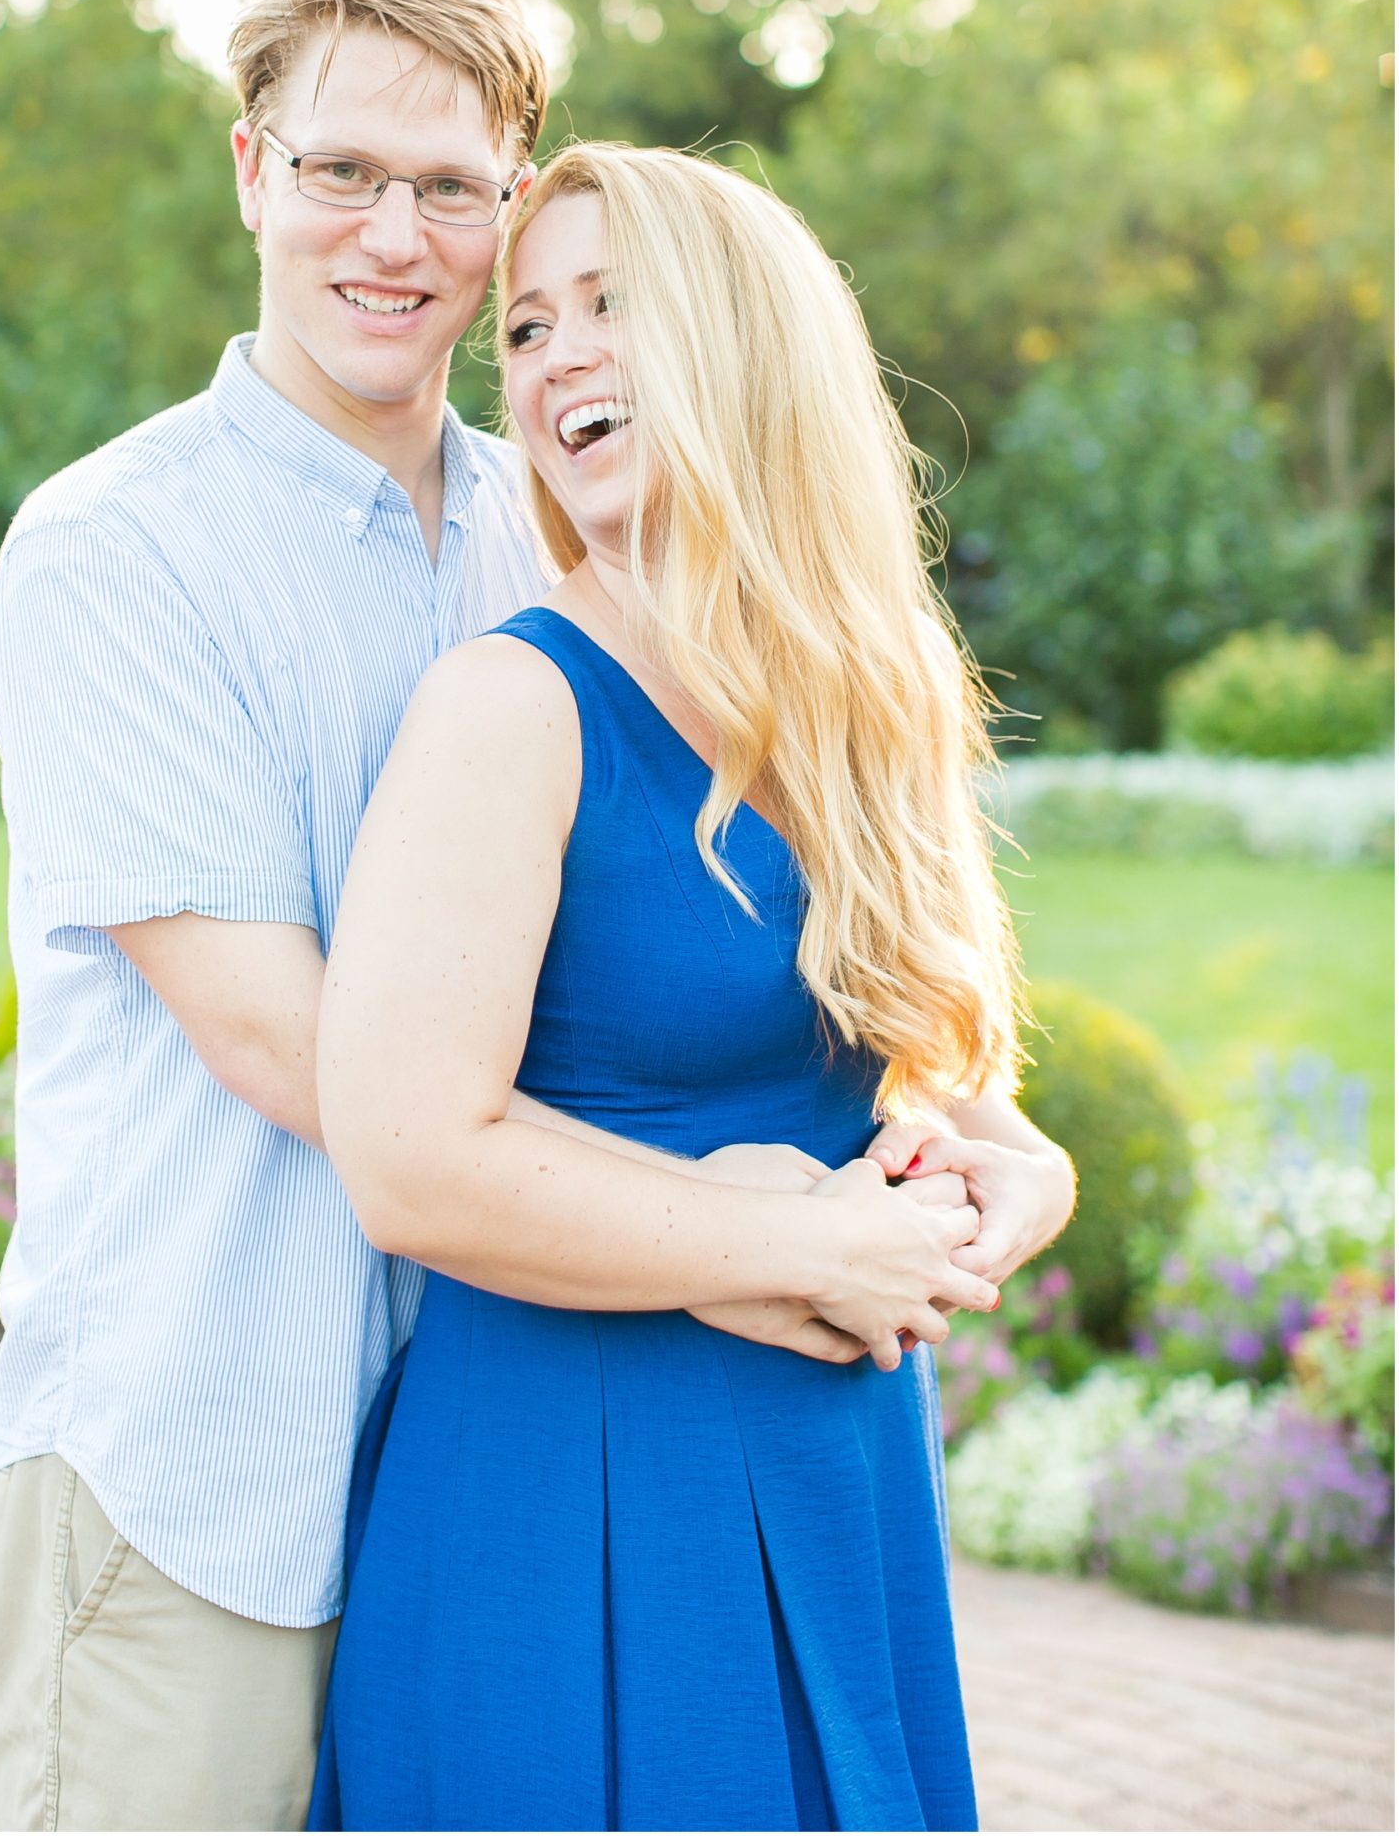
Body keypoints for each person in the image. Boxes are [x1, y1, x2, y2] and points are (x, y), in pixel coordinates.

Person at [311, 142, 1077, 1833]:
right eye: (525, 328)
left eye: (613, 304)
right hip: (574, 1478)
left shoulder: (869, 701)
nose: (555, 354)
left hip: (831, 1471)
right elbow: (405, 1156)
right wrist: (800, 1242)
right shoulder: (510, 708)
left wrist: (1021, 1176)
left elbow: (935, 1080)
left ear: (749, 342)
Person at [0, 0, 561, 1833]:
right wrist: (725, 1225)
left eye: (450, 189)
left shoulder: (560, 544)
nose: (391, 236)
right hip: (196, 1466)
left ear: (511, 215)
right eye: (341, 172)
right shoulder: (112, 552)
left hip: (472, 1460)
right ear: (251, 172)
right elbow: (296, 1050)